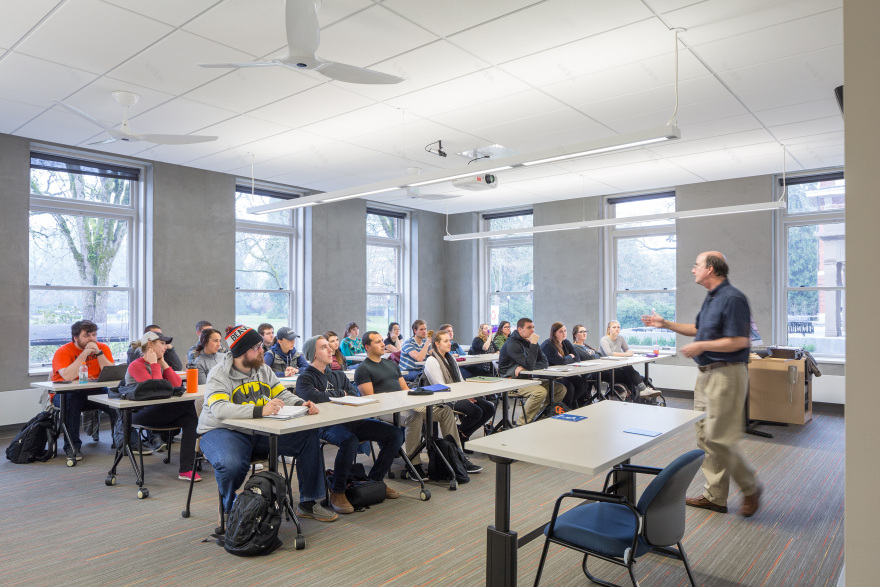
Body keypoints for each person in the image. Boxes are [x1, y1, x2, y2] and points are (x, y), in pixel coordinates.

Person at [642, 251, 762, 517]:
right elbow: (697, 329)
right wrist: (665, 324)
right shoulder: (712, 299)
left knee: (719, 438)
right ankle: (715, 496)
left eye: (695, 265)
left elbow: (740, 341)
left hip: (726, 374)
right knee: (705, 437)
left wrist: (702, 345)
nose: (692, 270)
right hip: (706, 374)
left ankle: (751, 486)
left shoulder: (733, 298)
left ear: (710, 269)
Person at [197, 325, 337, 523]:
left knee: (308, 435)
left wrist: (301, 403)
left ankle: (308, 503)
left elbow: (279, 393)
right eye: (256, 347)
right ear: (242, 352)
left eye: (261, 346)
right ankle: (228, 507)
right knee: (231, 463)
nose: (262, 350)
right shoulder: (219, 374)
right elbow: (220, 409)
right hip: (222, 430)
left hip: (260, 429)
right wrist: (260, 410)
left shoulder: (262, 368)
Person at [295, 335, 404, 513]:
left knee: (395, 434)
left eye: (329, 346)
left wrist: (335, 395)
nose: (331, 350)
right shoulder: (305, 378)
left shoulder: (338, 374)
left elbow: (353, 394)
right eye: (324, 347)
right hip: (325, 426)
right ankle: (337, 490)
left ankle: (375, 481)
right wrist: (341, 393)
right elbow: (314, 398)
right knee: (350, 441)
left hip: (351, 421)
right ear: (313, 354)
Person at [354, 330, 464, 481]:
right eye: (377, 342)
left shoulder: (391, 365)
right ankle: (414, 464)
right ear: (367, 347)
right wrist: (399, 400)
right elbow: (372, 399)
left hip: (403, 404)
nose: (382, 344)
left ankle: (457, 456)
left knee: (445, 411)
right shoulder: (363, 369)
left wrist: (418, 395)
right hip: (383, 409)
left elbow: (405, 389)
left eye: (382, 341)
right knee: (414, 416)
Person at [125, 331, 200, 481]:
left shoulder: (159, 364)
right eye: (162, 343)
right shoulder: (136, 365)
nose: (166, 347)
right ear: (150, 344)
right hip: (140, 413)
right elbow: (157, 391)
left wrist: (163, 364)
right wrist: (154, 364)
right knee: (188, 407)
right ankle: (188, 466)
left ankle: (186, 469)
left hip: (159, 411)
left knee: (189, 418)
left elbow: (177, 384)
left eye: (166, 344)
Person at [50, 320, 122, 462]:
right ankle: (72, 446)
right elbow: (68, 376)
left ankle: (124, 442)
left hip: (92, 390)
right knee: (72, 403)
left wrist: (99, 353)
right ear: (75, 338)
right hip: (65, 394)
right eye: (87, 336)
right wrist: (85, 354)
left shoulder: (102, 348)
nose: (91, 339)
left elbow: (111, 372)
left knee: (117, 401)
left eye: (94, 335)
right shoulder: (63, 351)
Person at [424, 330, 491, 468]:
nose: (450, 343)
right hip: (444, 397)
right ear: (437, 343)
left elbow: (460, 380)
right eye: (446, 341)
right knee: (476, 411)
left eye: (449, 340)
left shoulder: (451, 358)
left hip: (458, 393)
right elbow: (441, 386)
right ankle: (460, 439)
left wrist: (467, 395)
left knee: (489, 408)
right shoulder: (432, 360)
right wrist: (463, 397)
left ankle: (462, 434)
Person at [497, 318, 566, 425]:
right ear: (520, 329)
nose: (532, 330)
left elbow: (544, 362)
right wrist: (533, 345)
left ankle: (540, 416)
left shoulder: (530, 341)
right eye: (529, 328)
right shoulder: (513, 344)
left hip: (526, 379)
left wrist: (525, 368)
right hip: (511, 381)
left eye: (533, 327)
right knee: (539, 392)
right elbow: (529, 364)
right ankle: (521, 424)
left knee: (560, 389)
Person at [599, 320, 659, 399]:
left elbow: (626, 349)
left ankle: (639, 393)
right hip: (607, 369)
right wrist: (626, 354)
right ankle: (643, 390)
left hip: (617, 367)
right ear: (608, 329)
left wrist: (629, 352)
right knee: (629, 370)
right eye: (614, 327)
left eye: (618, 327)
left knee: (632, 373)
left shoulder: (620, 338)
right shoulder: (604, 340)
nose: (617, 329)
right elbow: (609, 353)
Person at [540, 322, 589, 408]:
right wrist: (570, 356)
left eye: (565, 331)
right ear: (554, 333)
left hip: (564, 373)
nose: (564, 333)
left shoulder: (566, 342)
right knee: (569, 387)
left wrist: (566, 358)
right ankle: (563, 407)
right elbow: (560, 361)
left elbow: (577, 358)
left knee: (582, 384)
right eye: (561, 331)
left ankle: (567, 406)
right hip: (550, 375)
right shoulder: (548, 345)